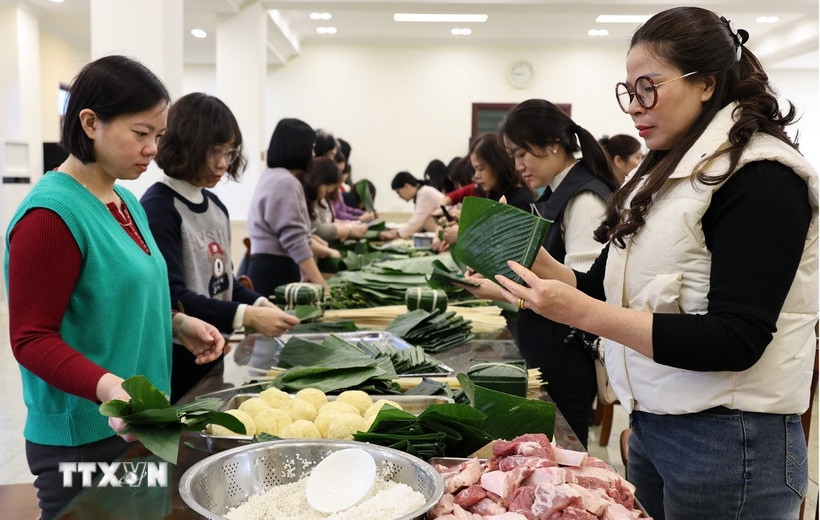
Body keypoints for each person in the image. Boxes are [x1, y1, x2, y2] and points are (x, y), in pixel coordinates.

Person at [493, 7, 817, 519]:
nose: (635, 107)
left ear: (706, 83)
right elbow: (600, 284)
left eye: (649, 87)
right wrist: (535, 262)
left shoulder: (761, 176)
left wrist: (578, 312)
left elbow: (736, 339)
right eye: (629, 91)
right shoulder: (664, 170)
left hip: (730, 441)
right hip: (652, 423)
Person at [4, 55, 225, 520]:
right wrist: (108, 388)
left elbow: (114, 298)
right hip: (85, 439)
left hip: (139, 423)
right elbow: (31, 338)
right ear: (90, 123)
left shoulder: (124, 199)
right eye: (140, 133)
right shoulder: (50, 215)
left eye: (158, 137)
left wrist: (177, 324)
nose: (152, 149)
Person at [464, 99, 618, 448]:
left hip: (567, 355)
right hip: (549, 346)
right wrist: (497, 282)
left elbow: (586, 290)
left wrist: (527, 262)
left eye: (521, 154)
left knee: (566, 450)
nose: (517, 166)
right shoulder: (558, 193)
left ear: (552, 143)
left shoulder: (585, 199)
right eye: (513, 157)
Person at [140, 93, 300, 402]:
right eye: (214, 152)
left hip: (216, 351)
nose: (223, 163)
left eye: (229, 152)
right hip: (179, 356)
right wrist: (247, 316)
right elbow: (172, 297)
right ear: (185, 145)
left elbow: (224, 282)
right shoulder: (159, 207)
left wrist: (259, 303)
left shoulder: (215, 206)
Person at [247, 118, 328, 297]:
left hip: (268, 267)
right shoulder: (286, 182)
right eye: (311, 147)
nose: (313, 154)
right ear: (298, 147)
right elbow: (295, 239)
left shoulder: (270, 175)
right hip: (275, 270)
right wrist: (322, 285)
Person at [303, 156, 367, 245]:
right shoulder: (308, 199)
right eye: (326, 191)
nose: (323, 196)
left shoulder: (320, 199)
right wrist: (349, 229)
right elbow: (317, 229)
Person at [379, 171, 445, 240]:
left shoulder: (425, 193)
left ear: (407, 186)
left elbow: (416, 222)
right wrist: (398, 231)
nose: (399, 196)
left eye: (398, 192)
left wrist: (396, 234)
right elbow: (418, 224)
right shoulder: (422, 193)